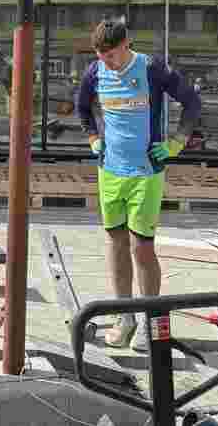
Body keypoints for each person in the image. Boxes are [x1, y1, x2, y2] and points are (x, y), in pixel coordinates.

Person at [75, 18, 201, 352]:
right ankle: (125, 318)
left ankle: (150, 322)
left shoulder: (152, 69)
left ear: (126, 45)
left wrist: (176, 143)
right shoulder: (95, 72)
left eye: (111, 56)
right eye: (101, 57)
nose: (107, 63)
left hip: (146, 173)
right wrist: (93, 138)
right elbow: (82, 107)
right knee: (115, 244)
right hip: (110, 172)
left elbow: (192, 101)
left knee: (141, 247)